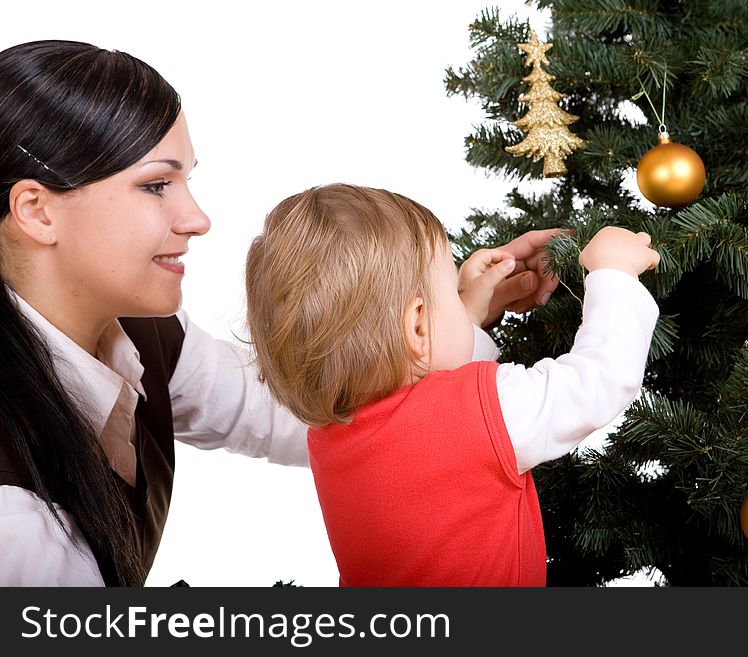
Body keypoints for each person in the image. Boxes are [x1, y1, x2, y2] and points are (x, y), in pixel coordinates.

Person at [0, 40, 558, 586]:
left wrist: (450, 317)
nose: (197, 218)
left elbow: (323, 402)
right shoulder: (12, 516)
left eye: (186, 180)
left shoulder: (146, 336)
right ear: (37, 211)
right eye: (155, 186)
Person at [245, 183, 661, 586]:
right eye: (450, 286)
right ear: (418, 325)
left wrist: (469, 310)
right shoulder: (475, 416)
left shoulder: (329, 437)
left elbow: (427, 388)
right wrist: (615, 273)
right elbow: (597, 381)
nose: (459, 295)